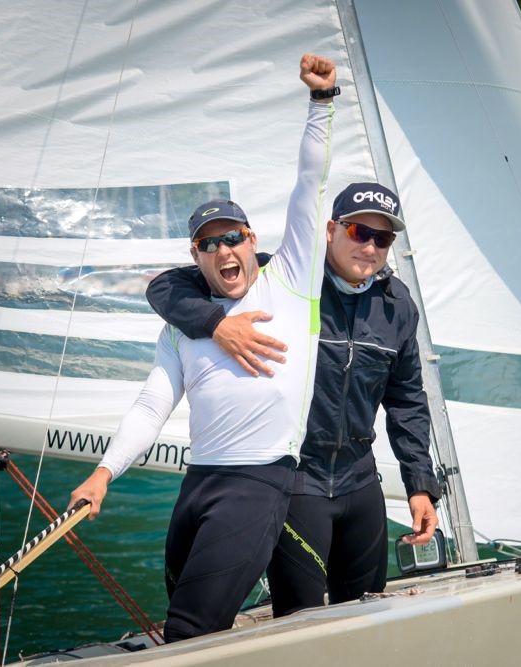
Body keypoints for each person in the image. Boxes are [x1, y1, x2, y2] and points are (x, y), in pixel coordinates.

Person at [68, 53, 338, 642]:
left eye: (233, 238)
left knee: (190, 629)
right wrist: (103, 474)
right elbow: (151, 406)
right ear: (196, 256)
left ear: (252, 240)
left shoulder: (290, 280)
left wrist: (321, 103)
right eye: (209, 243)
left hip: (258, 480)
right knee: (188, 623)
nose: (224, 251)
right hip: (198, 485)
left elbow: (309, 183)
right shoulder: (184, 325)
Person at [145, 181, 441, 617]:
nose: (371, 247)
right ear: (329, 231)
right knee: (299, 621)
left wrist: (420, 486)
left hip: (361, 482)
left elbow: (407, 400)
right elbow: (167, 287)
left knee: (367, 617)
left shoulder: (398, 306)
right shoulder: (283, 280)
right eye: (360, 232)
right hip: (299, 482)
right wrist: (215, 324)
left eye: (384, 238)